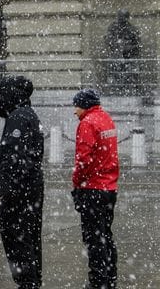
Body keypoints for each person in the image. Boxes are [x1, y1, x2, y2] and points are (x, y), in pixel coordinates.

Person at [0, 76, 44, 289]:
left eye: (1, 93)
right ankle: (32, 280)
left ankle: (27, 282)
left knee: (17, 239)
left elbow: (13, 157)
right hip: (30, 188)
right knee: (30, 237)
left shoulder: (18, 117)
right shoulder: (27, 114)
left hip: (20, 191)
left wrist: (1, 188)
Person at [71, 89, 119, 289]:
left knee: (94, 238)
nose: (74, 111)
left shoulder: (88, 123)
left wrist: (76, 182)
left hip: (93, 188)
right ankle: (110, 275)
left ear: (85, 105)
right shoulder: (106, 118)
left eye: (76, 106)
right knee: (106, 234)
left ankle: (98, 280)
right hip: (109, 187)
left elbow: (84, 160)